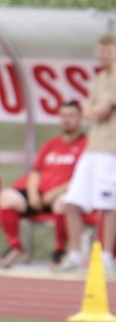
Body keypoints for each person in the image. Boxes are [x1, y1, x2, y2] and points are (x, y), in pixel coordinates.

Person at [0, 102, 86, 268]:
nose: (66, 120)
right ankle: (16, 247)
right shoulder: (51, 144)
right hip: (40, 195)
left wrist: (54, 192)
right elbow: (36, 172)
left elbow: (83, 178)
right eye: (63, 116)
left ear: (80, 118)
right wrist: (32, 194)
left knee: (64, 203)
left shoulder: (86, 144)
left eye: (71, 116)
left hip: (63, 195)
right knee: (6, 197)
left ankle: (59, 251)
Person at [60, 35, 116, 273]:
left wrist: (92, 111)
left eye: (108, 52)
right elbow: (87, 110)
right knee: (71, 201)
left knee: (108, 203)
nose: (103, 56)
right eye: (100, 51)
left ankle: (105, 256)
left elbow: (99, 111)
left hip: (110, 148)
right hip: (92, 147)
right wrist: (92, 111)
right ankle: (75, 254)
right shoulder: (101, 76)